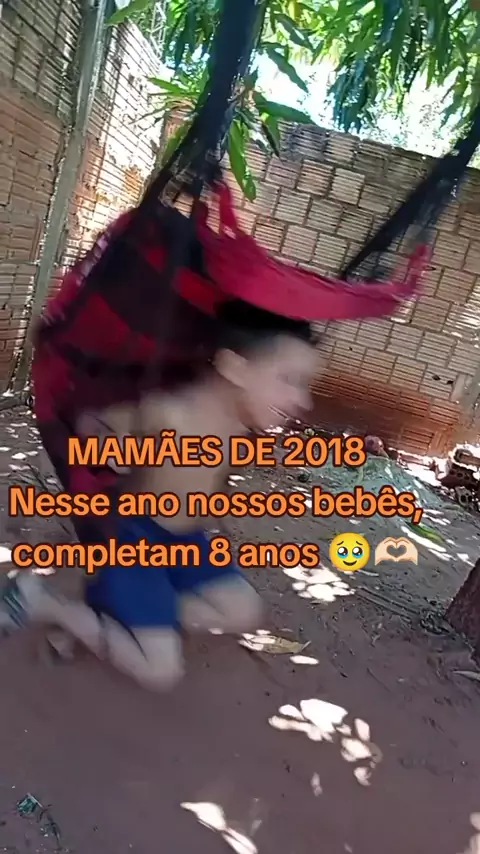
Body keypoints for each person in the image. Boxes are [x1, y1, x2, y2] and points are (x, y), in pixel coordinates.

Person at [0, 299, 317, 692]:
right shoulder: (169, 411)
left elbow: (207, 482)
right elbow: (97, 428)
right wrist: (107, 448)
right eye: (289, 379)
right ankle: (46, 604)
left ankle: (116, 619)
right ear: (234, 367)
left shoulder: (240, 425)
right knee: (159, 671)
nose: (304, 400)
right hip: (131, 540)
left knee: (242, 610)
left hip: (184, 540)